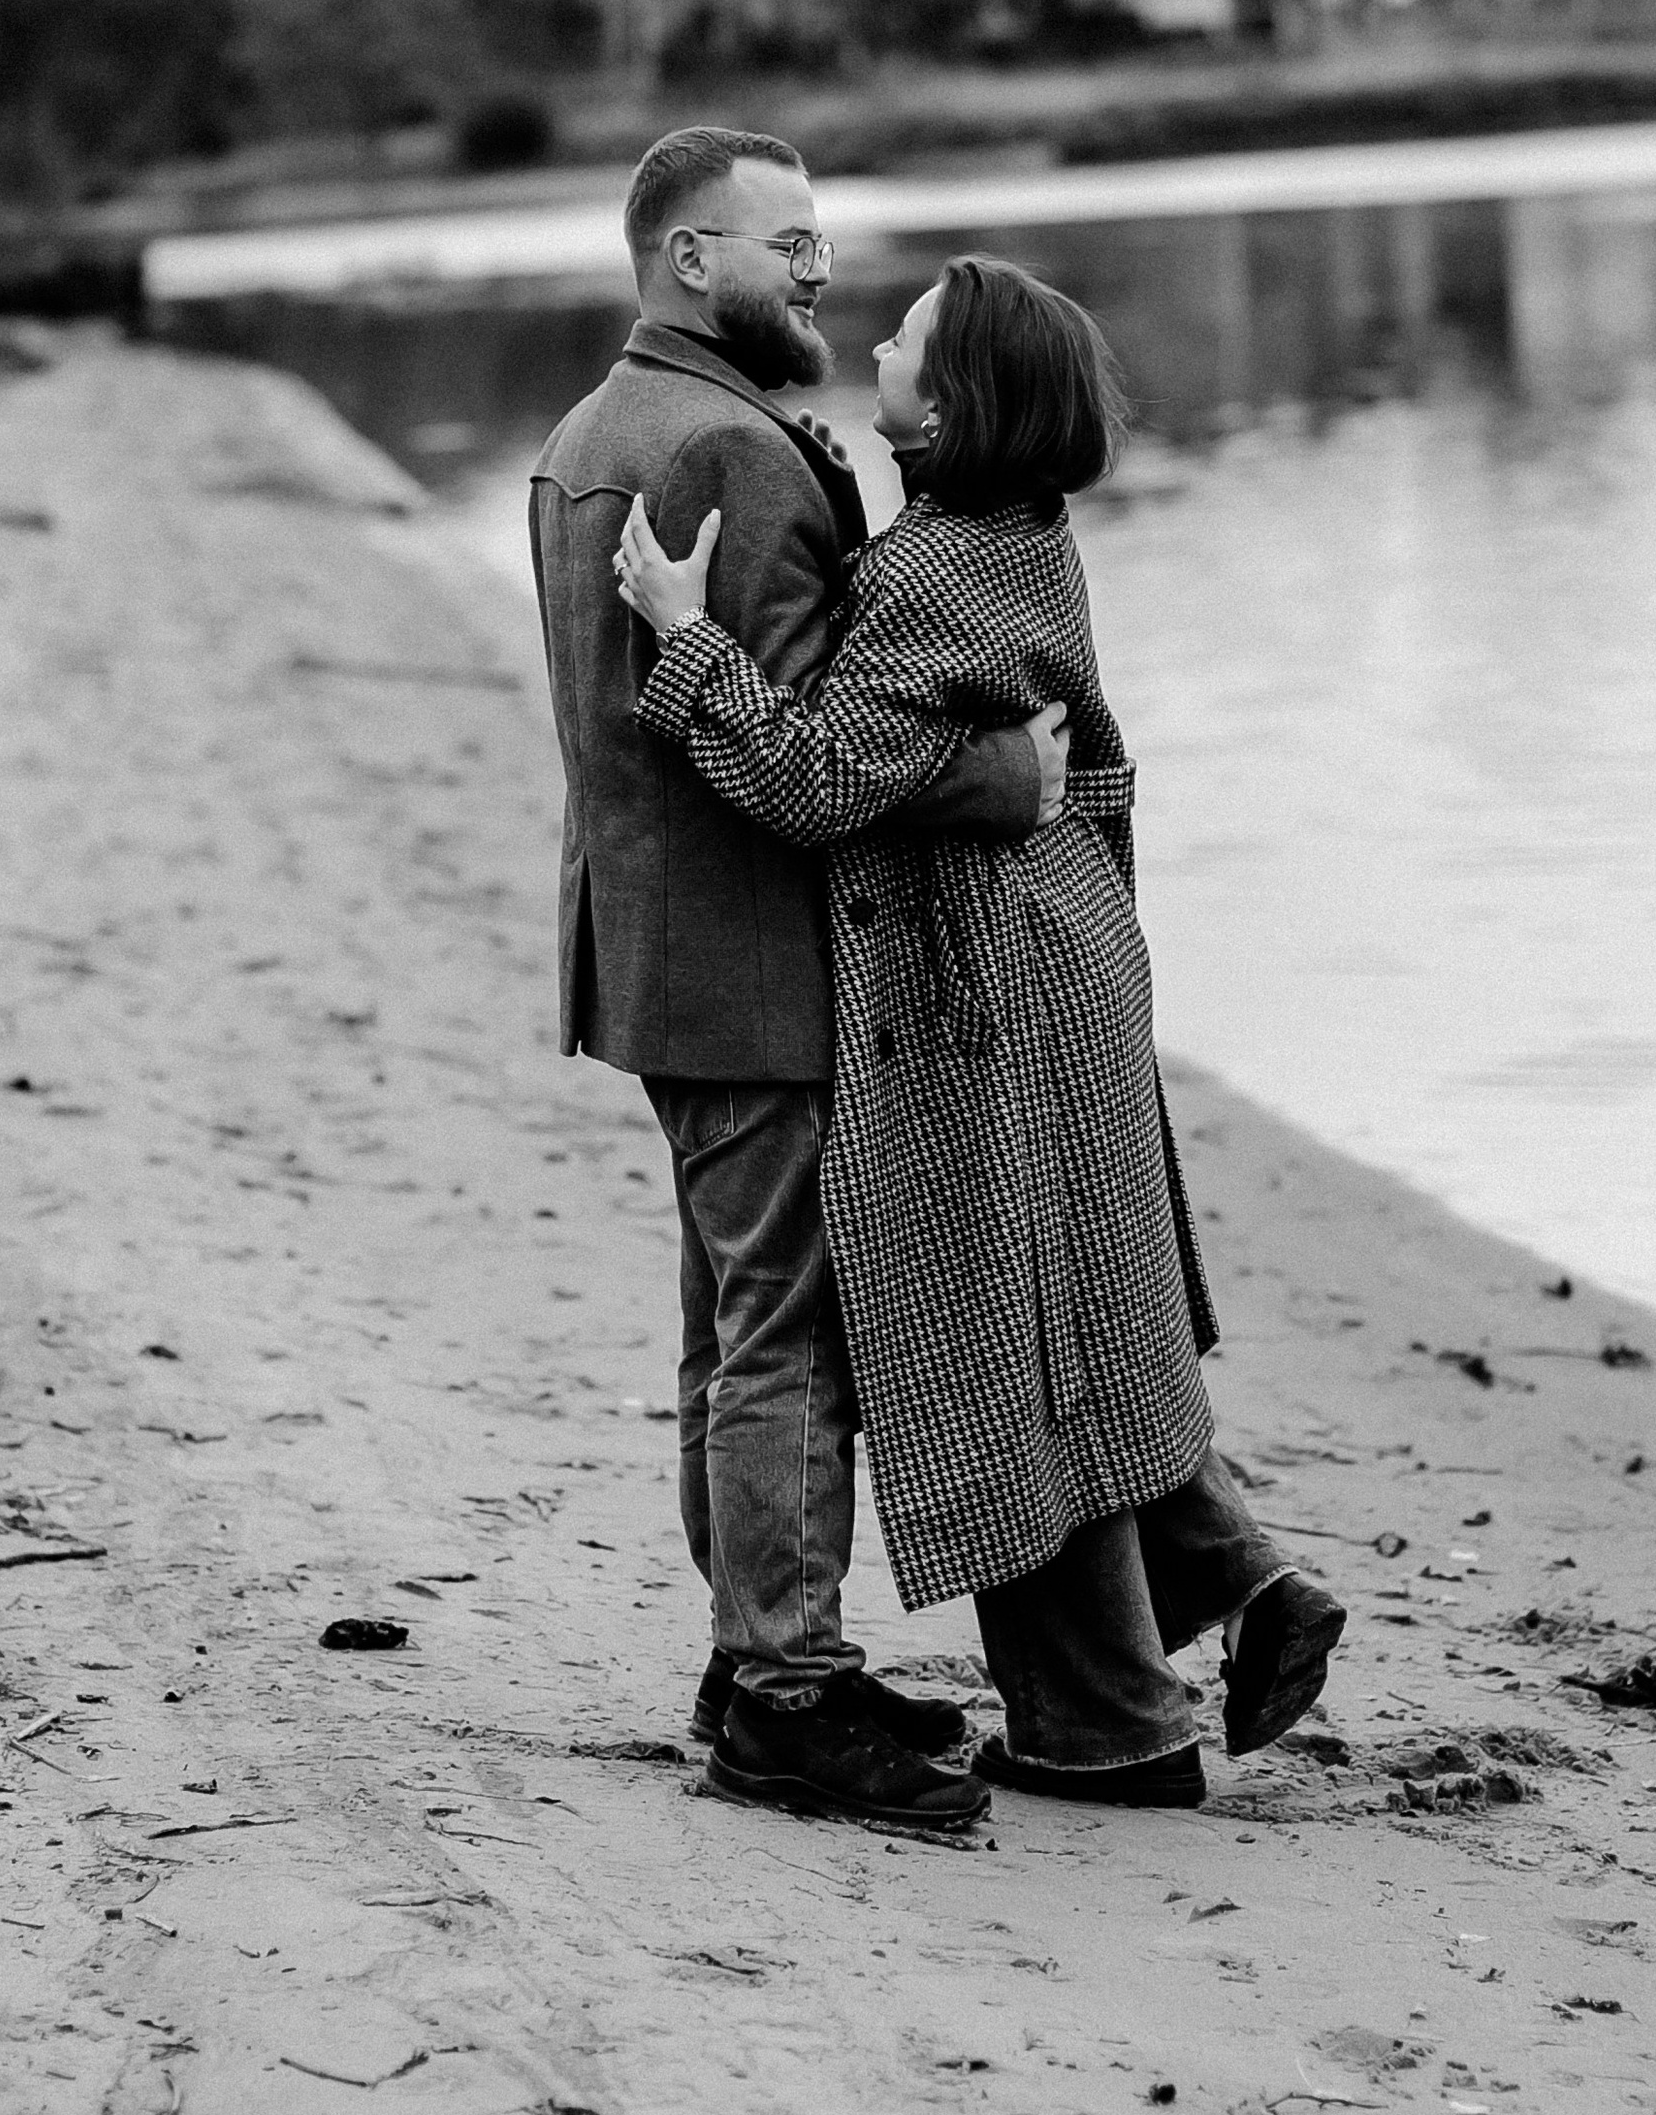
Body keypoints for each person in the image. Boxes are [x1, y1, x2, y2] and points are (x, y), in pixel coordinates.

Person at [615, 253, 1346, 1805]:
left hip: (986, 982)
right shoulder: (1012, 535)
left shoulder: (939, 571)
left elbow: (813, 780)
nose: (873, 337)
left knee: (997, 1340)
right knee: (1064, 1312)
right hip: (1059, 956)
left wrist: (685, 637)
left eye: (908, 340)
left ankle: (1114, 1727)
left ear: (954, 403)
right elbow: (926, 718)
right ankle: (1241, 1596)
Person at [530, 128, 1065, 1835]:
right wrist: (1005, 781)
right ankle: (784, 1690)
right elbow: (817, 755)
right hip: (757, 955)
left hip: (649, 949)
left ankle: (749, 1658)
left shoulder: (586, 434)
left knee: (724, 1327)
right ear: (695, 262)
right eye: (793, 243)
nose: (823, 270)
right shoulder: (732, 456)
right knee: (787, 1338)